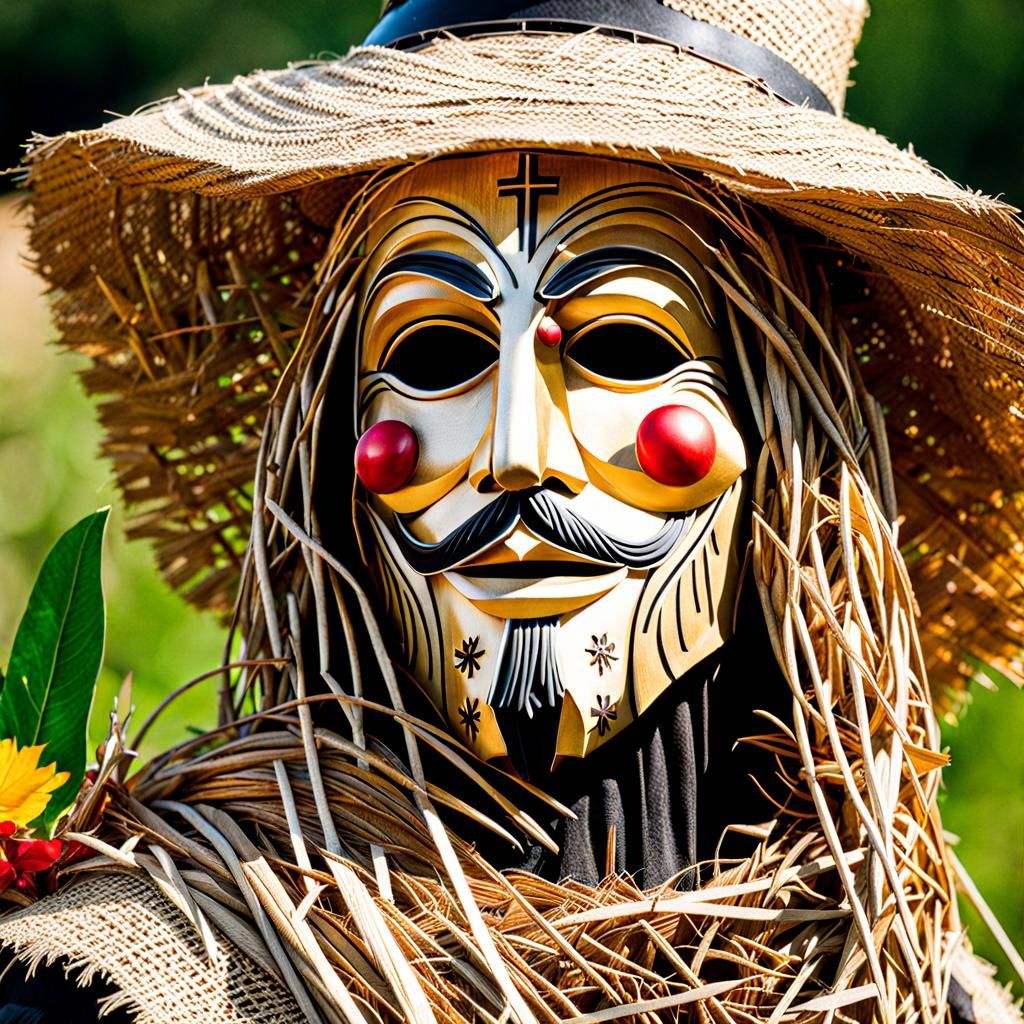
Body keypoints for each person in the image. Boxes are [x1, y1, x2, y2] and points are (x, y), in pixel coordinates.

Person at [3, 1, 1024, 1020]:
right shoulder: (125, 987)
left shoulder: (922, 997)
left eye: (622, 348)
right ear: (327, 439)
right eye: (436, 353)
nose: (517, 454)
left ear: (783, 434)